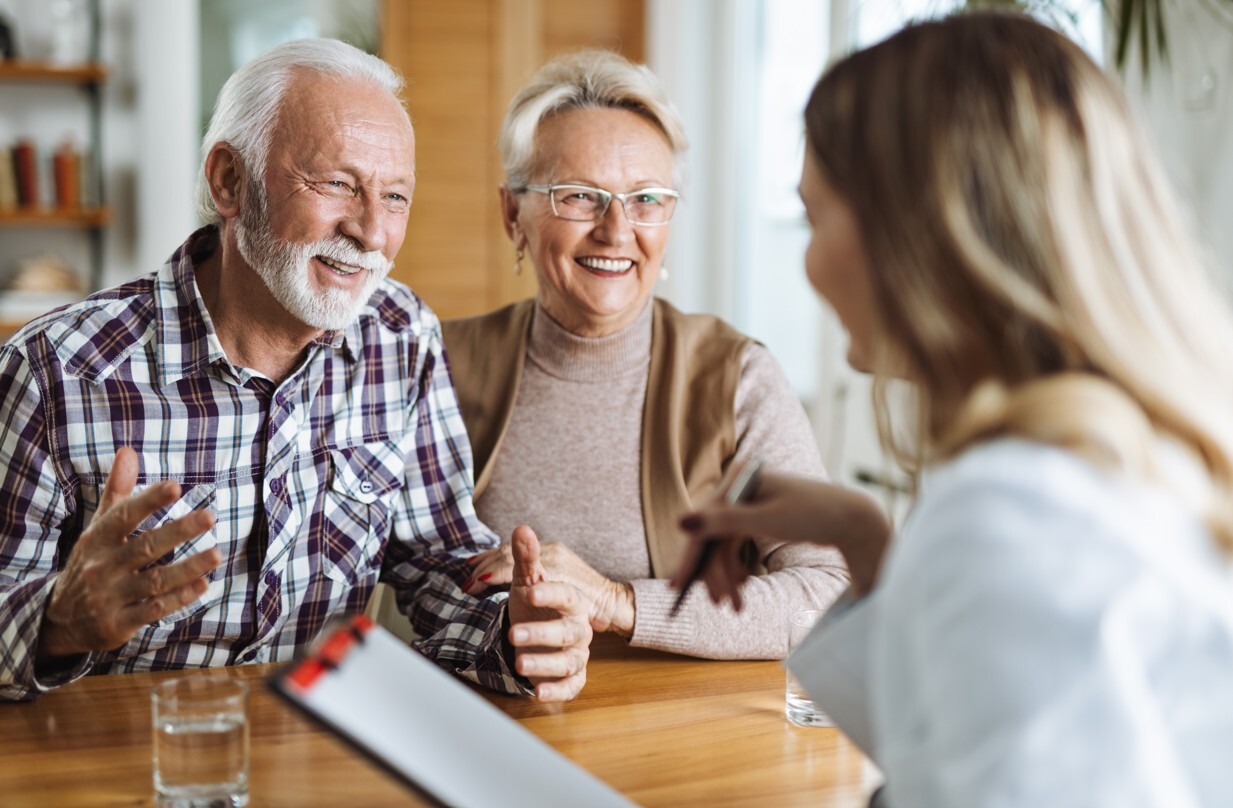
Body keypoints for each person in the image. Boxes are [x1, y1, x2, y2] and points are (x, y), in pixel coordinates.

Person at [679, 12, 1233, 806]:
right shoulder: (1122, 463)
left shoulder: (1016, 518)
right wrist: (869, 549)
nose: (806, 262)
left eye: (815, 217)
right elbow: (957, 742)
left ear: (914, 229)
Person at [0, 38, 590, 704]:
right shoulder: (55, 370)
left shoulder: (399, 337)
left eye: (394, 196)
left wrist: (514, 633)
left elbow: (439, 563)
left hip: (318, 754)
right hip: (112, 768)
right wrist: (57, 621)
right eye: (335, 183)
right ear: (229, 182)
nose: (372, 232)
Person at [447, 49, 848, 659]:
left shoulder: (738, 378)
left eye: (646, 200)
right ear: (512, 214)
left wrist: (617, 602)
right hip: (496, 722)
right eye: (580, 195)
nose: (616, 230)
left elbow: (831, 594)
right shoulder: (435, 365)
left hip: (677, 741)